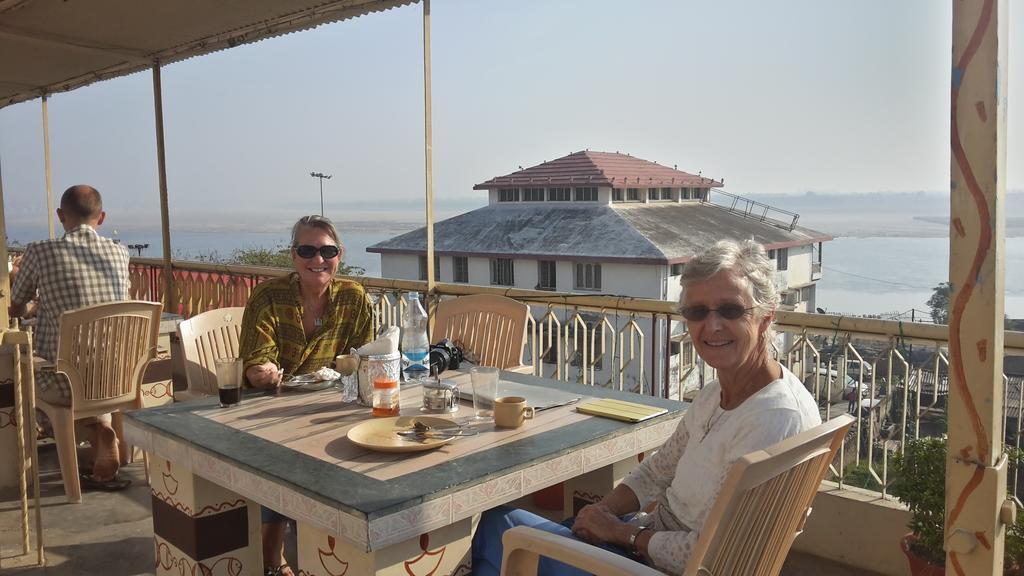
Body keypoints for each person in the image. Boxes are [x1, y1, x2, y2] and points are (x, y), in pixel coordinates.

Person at [471, 239, 822, 575]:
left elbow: (710, 555)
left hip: (648, 564)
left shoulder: (774, 419)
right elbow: (656, 472)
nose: (712, 325)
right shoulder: (717, 392)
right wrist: (603, 512)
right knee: (533, 531)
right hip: (641, 544)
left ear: (766, 317)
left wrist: (622, 534)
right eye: (698, 312)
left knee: (495, 529)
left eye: (730, 309)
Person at [238, 215, 375, 576]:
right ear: (293, 256)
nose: (318, 259)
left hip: (328, 406)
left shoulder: (354, 298)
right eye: (307, 250)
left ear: (339, 255)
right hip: (271, 408)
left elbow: (367, 358)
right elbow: (254, 360)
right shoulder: (268, 296)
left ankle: (340, 548)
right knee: (279, 456)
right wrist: (261, 372)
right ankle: (273, 556)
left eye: (327, 250)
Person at [9, 185, 131, 489]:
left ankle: (88, 437)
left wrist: (32, 304)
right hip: (119, 378)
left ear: (61, 215)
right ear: (101, 217)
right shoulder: (119, 252)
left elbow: (15, 306)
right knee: (87, 380)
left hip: (65, 383)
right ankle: (101, 430)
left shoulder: (40, 251)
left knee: (23, 383)